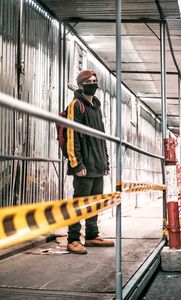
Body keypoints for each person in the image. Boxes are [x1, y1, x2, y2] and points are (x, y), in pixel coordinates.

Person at [65, 69, 114, 254]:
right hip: (83, 167)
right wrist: (77, 164)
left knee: (94, 203)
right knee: (79, 204)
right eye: (89, 81)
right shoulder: (76, 105)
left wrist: (105, 162)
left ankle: (92, 236)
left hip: (97, 165)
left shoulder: (96, 107)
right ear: (81, 84)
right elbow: (72, 136)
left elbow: (101, 138)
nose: (93, 83)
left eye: (95, 80)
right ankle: (73, 239)